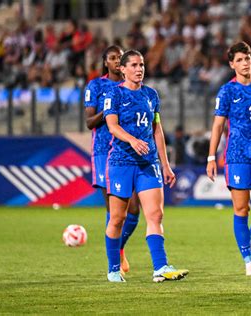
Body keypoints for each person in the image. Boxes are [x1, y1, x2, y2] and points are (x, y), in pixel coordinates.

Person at [103, 50, 188, 282]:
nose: (139, 69)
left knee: (155, 214)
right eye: (133, 65)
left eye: (141, 65)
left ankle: (160, 268)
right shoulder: (114, 94)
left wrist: (166, 164)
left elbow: (157, 129)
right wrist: (131, 140)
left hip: (148, 163)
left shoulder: (151, 95)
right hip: (121, 162)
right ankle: (113, 268)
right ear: (122, 69)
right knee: (117, 218)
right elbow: (112, 126)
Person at [206, 42, 251, 276]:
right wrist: (211, 156)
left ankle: (250, 239)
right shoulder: (227, 91)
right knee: (241, 208)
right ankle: (247, 259)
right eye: (241, 60)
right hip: (236, 157)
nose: (246, 63)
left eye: (248, 58)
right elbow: (218, 125)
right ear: (232, 64)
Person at [84, 45, 140, 274]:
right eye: (113, 58)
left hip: (127, 151)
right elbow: (89, 122)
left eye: (120, 57)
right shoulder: (96, 86)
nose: (117, 61)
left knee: (134, 211)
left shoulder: (132, 86)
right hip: (103, 151)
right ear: (105, 62)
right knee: (116, 211)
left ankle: (118, 248)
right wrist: (108, 110)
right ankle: (114, 263)